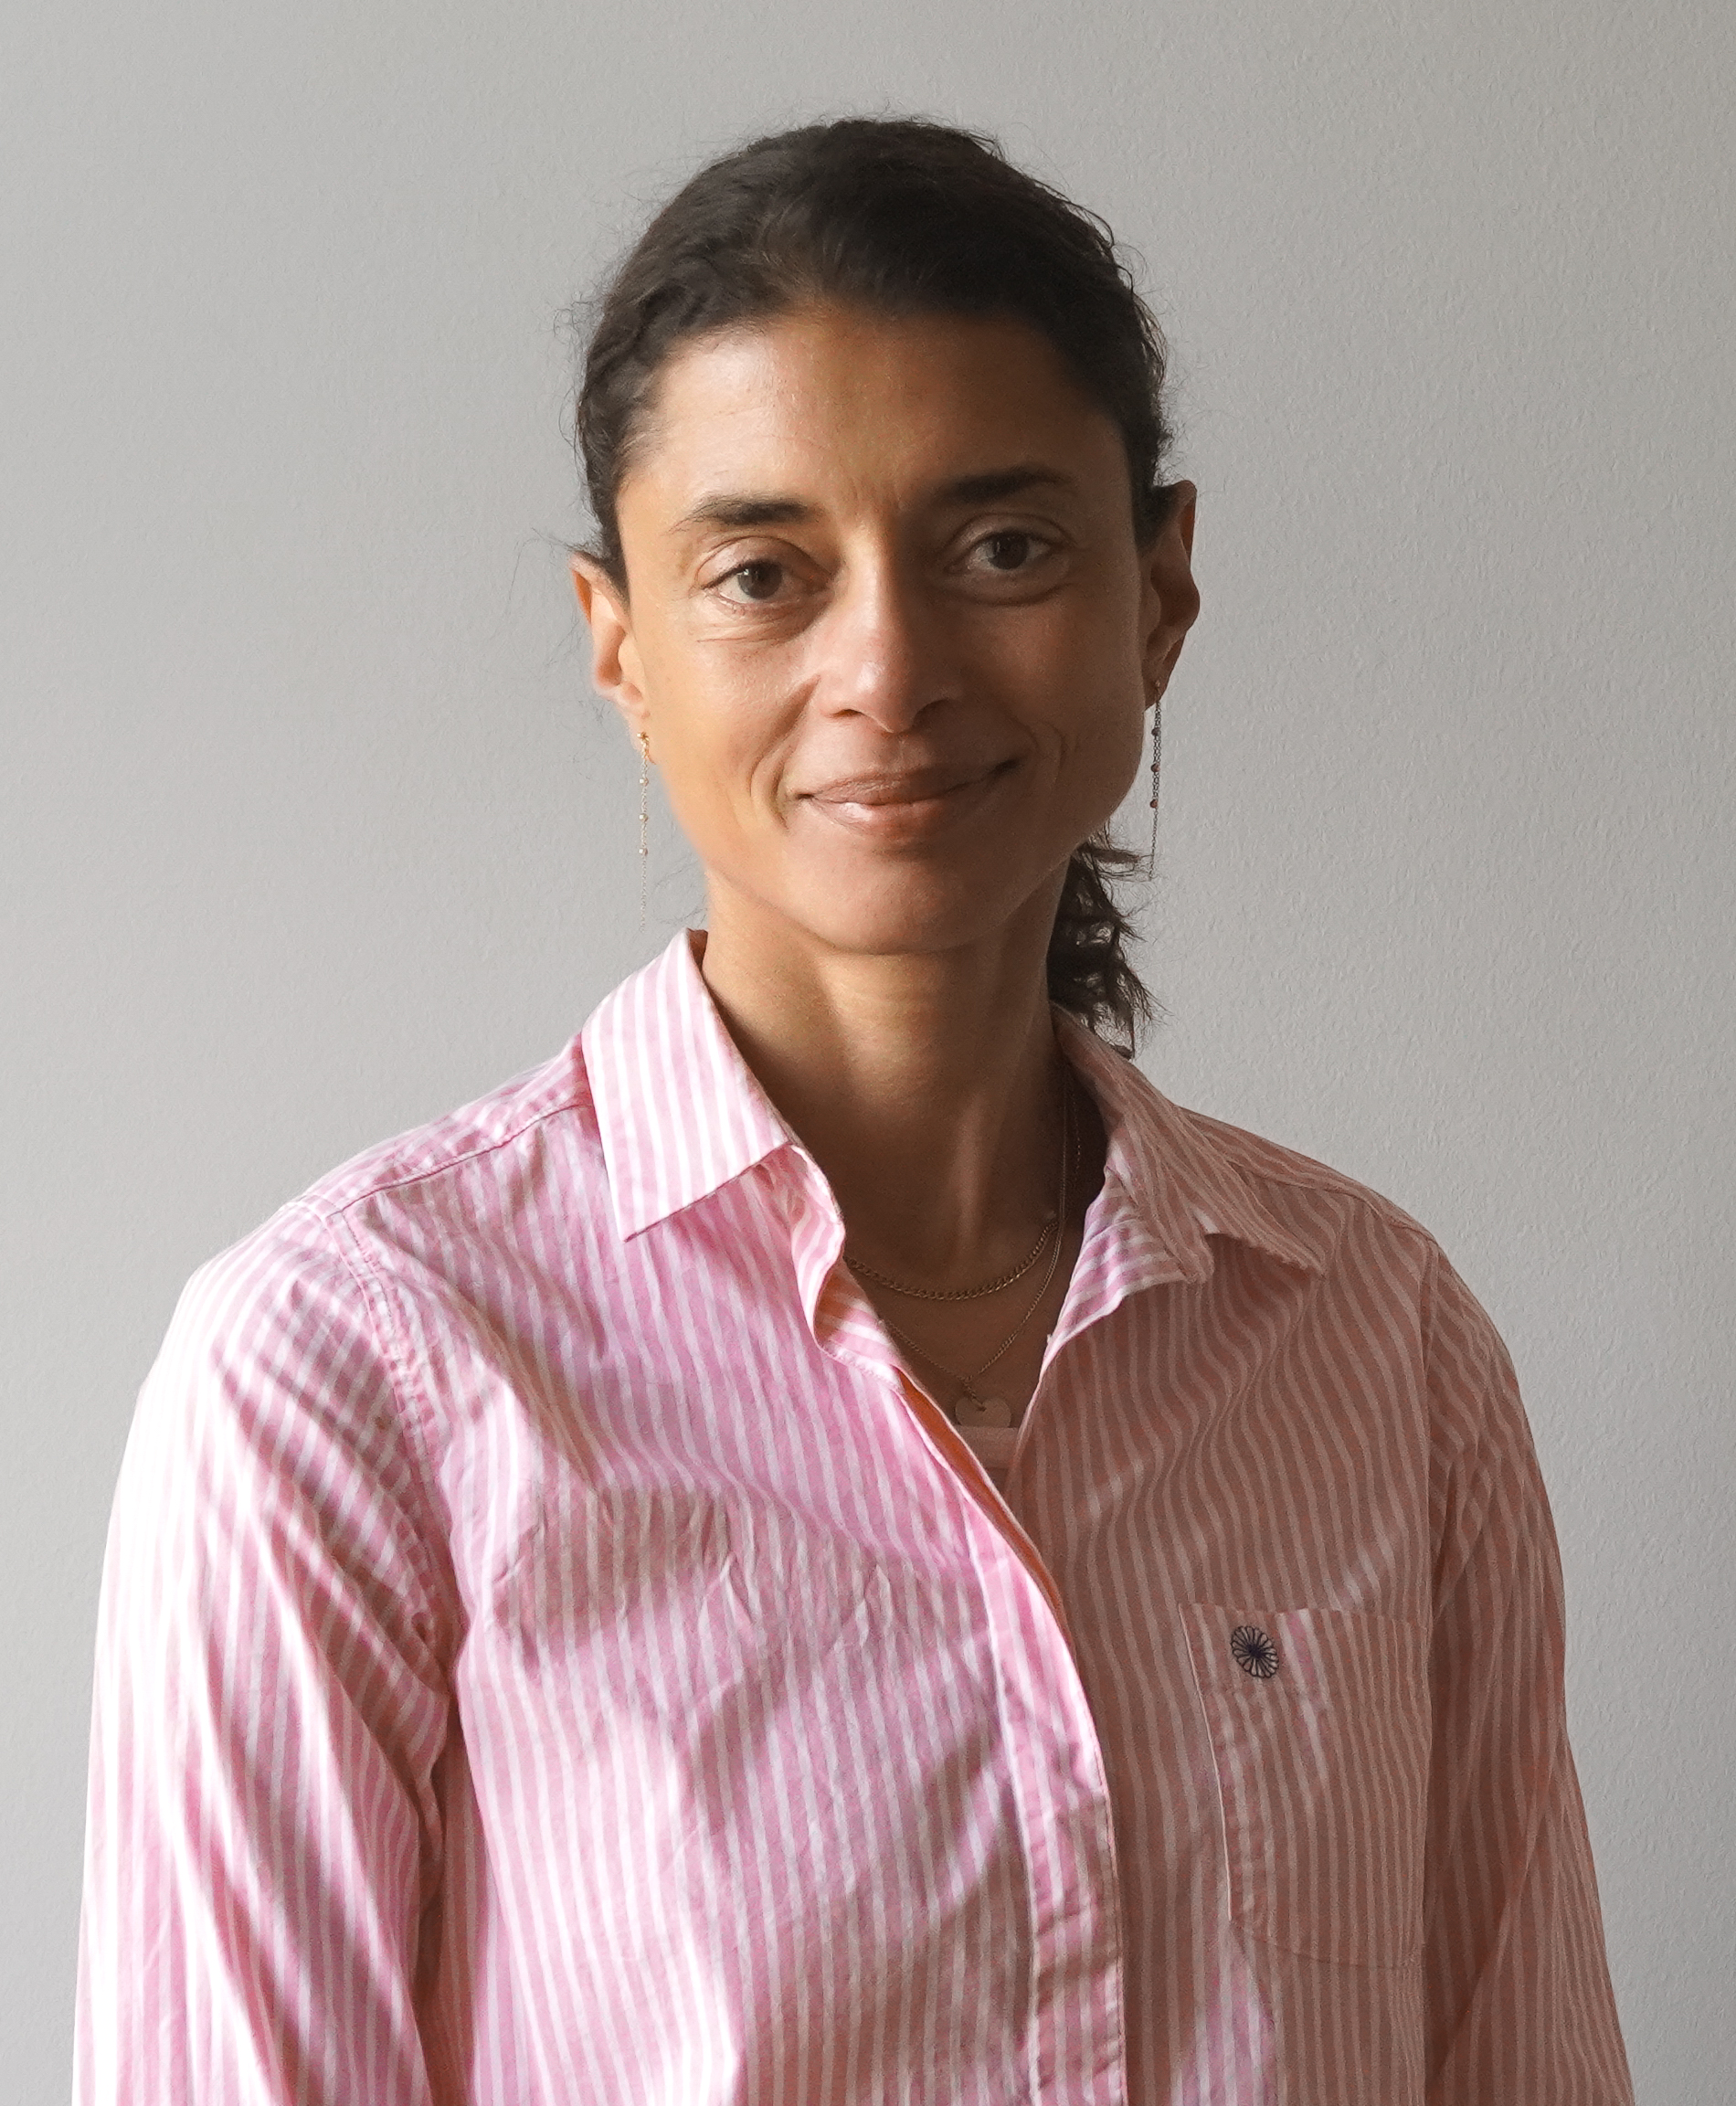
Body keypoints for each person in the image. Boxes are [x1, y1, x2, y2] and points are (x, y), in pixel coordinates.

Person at [74, 118, 1633, 2104]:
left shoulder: (1378, 1344)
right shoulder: (348, 1371)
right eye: (761, 573)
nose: (886, 669)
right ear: (621, 645)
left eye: (1003, 549)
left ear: (1159, 591)